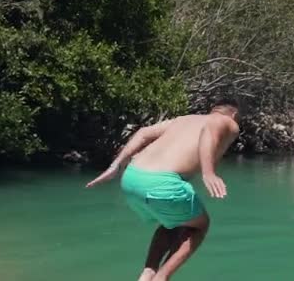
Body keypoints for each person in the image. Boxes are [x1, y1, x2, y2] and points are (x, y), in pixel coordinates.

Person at [85, 99, 240, 281]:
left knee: (173, 223)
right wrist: (208, 172)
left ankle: (148, 273)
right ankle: (162, 277)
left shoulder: (184, 119)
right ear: (234, 114)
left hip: (132, 177)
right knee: (201, 225)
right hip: (161, 183)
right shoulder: (227, 121)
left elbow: (143, 133)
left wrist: (116, 165)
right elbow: (209, 131)